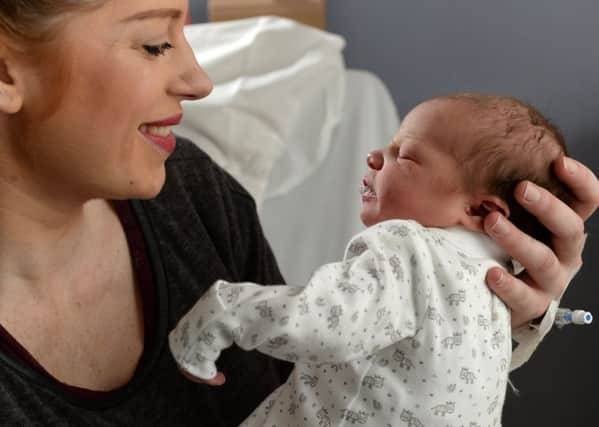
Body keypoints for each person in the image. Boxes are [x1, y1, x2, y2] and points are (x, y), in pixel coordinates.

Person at [0, 0, 596, 425]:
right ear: (6, 69)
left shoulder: (194, 192)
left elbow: (332, 352)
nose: (199, 79)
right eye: (155, 42)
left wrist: (512, 318)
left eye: (185, 36)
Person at [167, 93, 583, 426]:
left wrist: (225, 312)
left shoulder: (410, 249)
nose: (374, 156)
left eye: (406, 154)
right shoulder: (494, 284)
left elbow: (324, 320)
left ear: (478, 210)